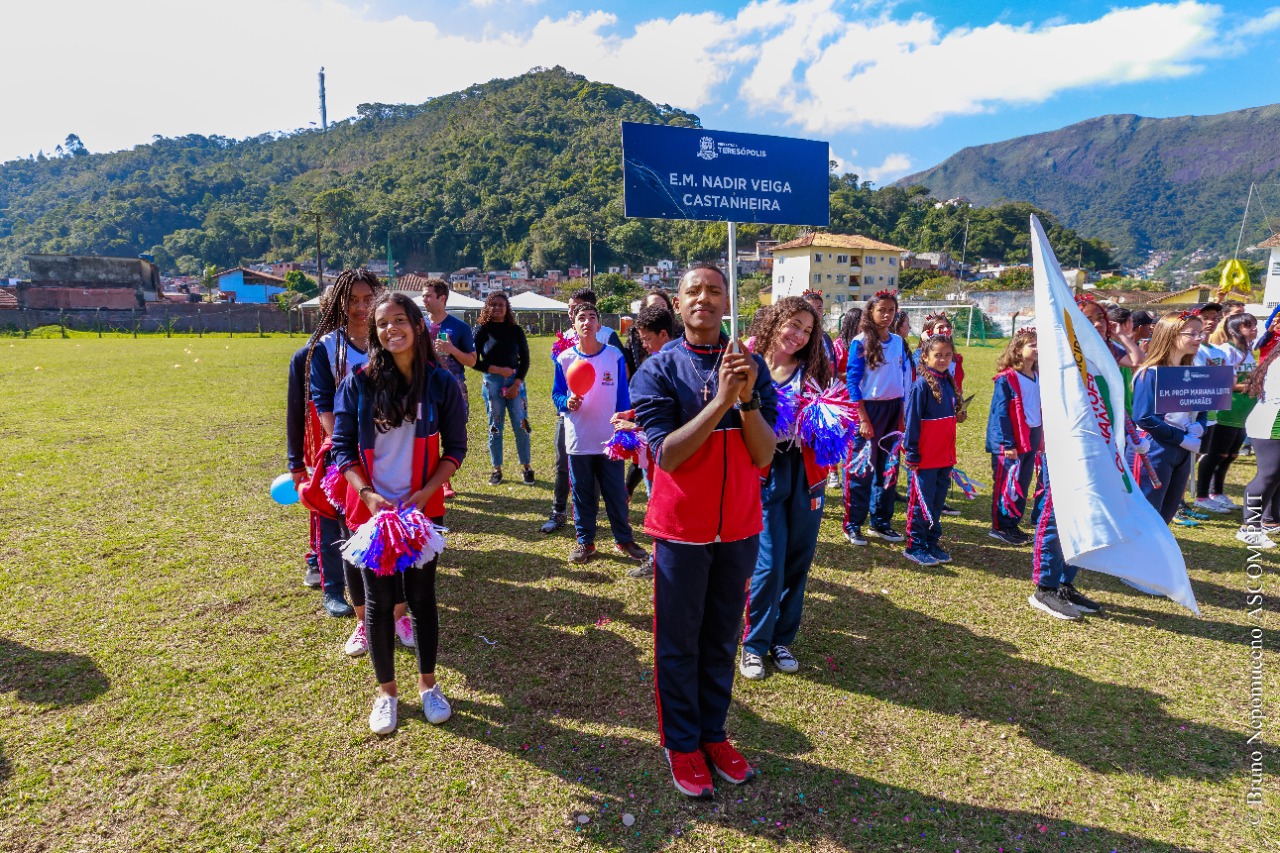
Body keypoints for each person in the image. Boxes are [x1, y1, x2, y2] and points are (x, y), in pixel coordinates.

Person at [631, 264, 777, 799]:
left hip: (739, 527)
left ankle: (714, 734)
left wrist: (747, 398)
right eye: (694, 290)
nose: (705, 298)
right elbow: (667, 455)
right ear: (678, 300)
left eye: (715, 290)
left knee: (720, 639)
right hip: (681, 530)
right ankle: (683, 743)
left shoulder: (750, 365)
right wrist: (719, 400)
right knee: (678, 643)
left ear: (726, 300)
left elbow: (763, 454)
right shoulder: (657, 370)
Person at [333, 292, 468, 734]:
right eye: (382, 324)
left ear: (416, 324)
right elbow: (342, 450)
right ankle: (387, 693)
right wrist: (369, 496)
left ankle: (428, 685)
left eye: (399, 320)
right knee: (379, 602)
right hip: (372, 516)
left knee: (423, 597)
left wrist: (427, 491)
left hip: (422, 513)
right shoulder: (359, 383)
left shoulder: (441, 383)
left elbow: (456, 448)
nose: (391, 329)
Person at [308, 270, 410, 656]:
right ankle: (364, 623)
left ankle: (400, 615)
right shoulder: (327, 347)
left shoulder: (390, 339)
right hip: (349, 458)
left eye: (369, 297)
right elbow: (323, 403)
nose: (362, 306)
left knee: (396, 538)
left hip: (392, 454)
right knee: (354, 540)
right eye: (353, 298)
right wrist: (342, 448)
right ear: (339, 302)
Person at [740, 296, 830, 680]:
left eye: (807, 331)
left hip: (806, 472)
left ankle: (781, 638)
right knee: (769, 560)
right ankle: (754, 645)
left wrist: (826, 423)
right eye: (794, 324)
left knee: (798, 559)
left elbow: (834, 414)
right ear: (776, 320)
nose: (799, 335)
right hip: (763, 470)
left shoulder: (813, 372)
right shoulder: (748, 360)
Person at [553, 302, 647, 565]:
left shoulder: (614, 356)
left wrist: (623, 427)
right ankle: (585, 542)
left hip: (610, 441)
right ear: (574, 326)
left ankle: (624, 540)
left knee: (616, 492)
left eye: (591, 317)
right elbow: (556, 394)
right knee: (583, 495)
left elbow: (622, 397)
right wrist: (565, 403)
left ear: (598, 325)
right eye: (581, 318)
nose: (586, 322)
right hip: (578, 439)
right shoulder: (565, 359)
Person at [541, 289, 628, 535]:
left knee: (601, 473)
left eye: (581, 307)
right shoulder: (564, 339)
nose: (575, 312)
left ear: (596, 315)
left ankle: (600, 523)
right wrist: (566, 401)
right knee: (563, 466)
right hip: (571, 418)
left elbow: (621, 372)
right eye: (572, 308)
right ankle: (559, 513)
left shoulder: (609, 337)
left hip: (605, 421)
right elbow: (559, 382)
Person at [842, 290, 911, 546]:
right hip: (868, 411)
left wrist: (902, 414)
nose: (886, 315)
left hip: (893, 411)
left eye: (891, 311)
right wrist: (862, 418)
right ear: (870, 312)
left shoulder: (897, 342)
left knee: (888, 469)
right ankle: (852, 524)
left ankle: (880, 522)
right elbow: (853, 382)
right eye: (881, 310)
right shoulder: (860, 342)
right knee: (861, 470)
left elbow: (903, 381)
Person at [1132, 312, 1209, 525]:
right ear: (1171, 335)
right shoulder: (1150, 373)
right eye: (1192, 333)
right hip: (1155, 449)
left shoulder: (1192, 371)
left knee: (1168, 510)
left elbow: (1201, 408)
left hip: (1183, 450)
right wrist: (1180, 438)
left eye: (1200, 333)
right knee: (1147, 511)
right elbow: (1144, 416)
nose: (1199, 338)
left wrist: (1200, 427)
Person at [287, 287, 335, 590]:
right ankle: (317, 560)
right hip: (320, 446)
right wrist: (295, 463)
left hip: (361, 443)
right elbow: (295, 411)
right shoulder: (307, 355)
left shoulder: (372, 347)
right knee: (322, 502)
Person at [902, 334, 960, 566]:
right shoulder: (920, 386)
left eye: (948, 355)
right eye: (938, 355)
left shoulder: (948, 382)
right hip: (924, 459)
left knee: (937, 502)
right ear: (925, 357)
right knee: (921, 503)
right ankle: (915, 546)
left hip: (944, 458)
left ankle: (931, 542)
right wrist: (912, 453)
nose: (944, 359)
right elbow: (912, 422)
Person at [1195, 312, 1257, 512]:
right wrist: (1253, 385)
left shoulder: (1247, 351)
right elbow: (1224, 383)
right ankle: (1203, 495)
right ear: (1234, 329)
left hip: (1242, 413)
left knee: (1230, 455)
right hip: (1226, 412)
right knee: (1215, 454)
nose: (1254, 329)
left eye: (1254, 325)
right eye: (1248, 325)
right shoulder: (1226, 351)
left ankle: (1217, 492)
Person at [471, 292, 533, 486]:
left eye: (501, 305)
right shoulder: (481, 330)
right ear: (487, 307)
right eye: (493, 304)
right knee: (495, 426)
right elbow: (473, 360)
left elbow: (525, 359)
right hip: (492, 383)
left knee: (521, 425)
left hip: (516, 382)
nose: (497, 308)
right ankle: (497, 469)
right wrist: (497, 370)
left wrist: (516, 383)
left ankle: (527, 467)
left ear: (507, 308)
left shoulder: (515, 330)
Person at [422, 278, 476, 499]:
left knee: (452, 433)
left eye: (428, 295)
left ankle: (443, 477)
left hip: (454, 388)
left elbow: (472, 361)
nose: (424, 299)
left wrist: (451, 349)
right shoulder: (417, 325)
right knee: (427, 432)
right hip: (424, 388)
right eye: (423, 295)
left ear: (442, 298)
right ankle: (441, 482)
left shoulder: (459, 327)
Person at [986, 328, 1040, 546]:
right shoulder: (1007, 378)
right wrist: (1007, 443)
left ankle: (1012, 524)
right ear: (1018, 350)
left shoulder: (1037, 375)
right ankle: (1000, 526)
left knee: (1022, 483)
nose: (1038, 349)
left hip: (1031, 436)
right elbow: (999, 414)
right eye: (1032, 345)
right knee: (1007, 484)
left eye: (1039, 345)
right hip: (1011, 440)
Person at [916, 312, 967, 516]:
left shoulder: (953, 364)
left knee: (940, 473)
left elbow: (958, 384)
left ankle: (938, 500)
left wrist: (959, 407)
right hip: (928, 428)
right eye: (940, 328)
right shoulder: (920, 372)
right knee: (925, 477)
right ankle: (922, 510)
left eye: (948, 327)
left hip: (946, 421)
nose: (946, 331)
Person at [1241, 341, 1280, 548]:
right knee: (1268, 474)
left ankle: (1268, 520)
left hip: (1273, 422)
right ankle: (1249, 527)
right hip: (1271, 424)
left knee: (1275, 475)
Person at [801, 290, 836, 364]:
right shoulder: (798, 334)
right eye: (811, 308)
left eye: (819, 308)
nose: (815, 312)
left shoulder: (825, 336)